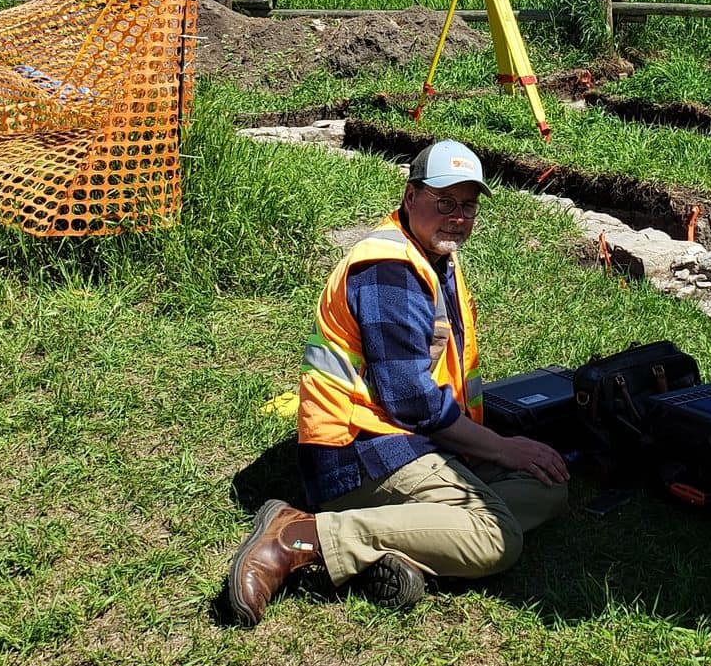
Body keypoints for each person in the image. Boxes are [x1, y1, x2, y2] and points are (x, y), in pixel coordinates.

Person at [223, 140, 570, 625]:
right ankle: (300, 535)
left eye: (467, 205)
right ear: (410, 197)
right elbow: (411, 401)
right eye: (443, 202)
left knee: (545, 486)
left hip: (417, 442)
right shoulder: (390, 268)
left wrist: (491, 450)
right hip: (363, 451)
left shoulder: (432, 255)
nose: (457, 216)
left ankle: (398, 548)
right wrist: (499, 448)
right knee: (496, 538)